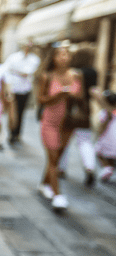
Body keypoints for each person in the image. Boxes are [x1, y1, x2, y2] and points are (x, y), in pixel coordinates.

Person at [37, 46, 82, 211]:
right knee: (54, 158)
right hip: (50, 122)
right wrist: (57, 96)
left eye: (66, 54)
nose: (64, 57)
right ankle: (58, 196)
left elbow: (81, 96)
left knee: (56, 158)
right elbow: (40, 99)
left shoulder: (76, 75)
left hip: (67, 123)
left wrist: (71, 93)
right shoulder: (47, 76)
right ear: (53, 58)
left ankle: (44, 184)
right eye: (60, 54)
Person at [57, 48, 98, 186]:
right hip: (83, 110)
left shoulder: (70, 71)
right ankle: (89, 167)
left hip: (68, 109)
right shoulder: (93, 72)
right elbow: (93, 91)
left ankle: (61, 169)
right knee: (85, 141)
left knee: (64, 141)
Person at [3, 39, 41, 146]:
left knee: (21, 112)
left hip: (25, 90)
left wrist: (19, 72)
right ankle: (11, 132)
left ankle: (17, 134)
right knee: (13, 112)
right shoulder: (13, 57)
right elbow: (7, 70)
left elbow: (29, 72)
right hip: (14, 89)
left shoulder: (34, 59)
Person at [92, 89, 116, 182]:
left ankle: (107, 167)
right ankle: (109, 168)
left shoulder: (105, 112)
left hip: (107, 138)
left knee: (98, 151)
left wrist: (99, 134)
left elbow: (102, 126)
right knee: (111, 155)